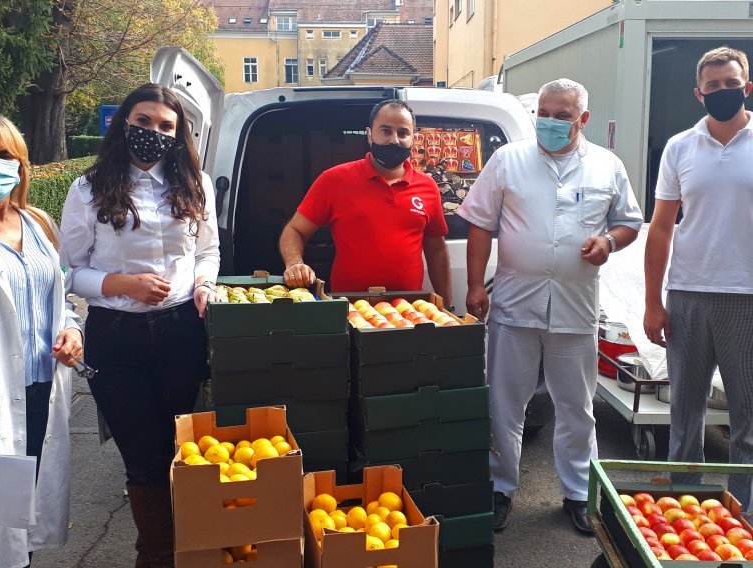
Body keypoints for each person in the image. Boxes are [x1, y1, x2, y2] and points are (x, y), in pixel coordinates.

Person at [459, 79, 643, 535]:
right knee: (505, 404)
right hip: (514, 304)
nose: (551, 122)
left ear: (582, 119)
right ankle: (500, 488)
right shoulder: (508, 160)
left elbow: (627, 223)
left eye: (562, 115)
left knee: (577, 406)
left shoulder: (607, 165)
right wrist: (474, 287)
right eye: (545, 112)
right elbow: (480, 224)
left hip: (575, 309)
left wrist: (608, 241)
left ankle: (579, 494)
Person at [60, 83, 220, 566]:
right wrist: (121, 284)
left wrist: (204, 285)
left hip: (180, 334)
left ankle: (171, 549)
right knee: (142, 454)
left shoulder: (196, 184)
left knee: (177, 450)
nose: (154, 132)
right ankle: (158, 555)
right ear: (124, 123)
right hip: (117, 338)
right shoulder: (89, 187)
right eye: (144, 121)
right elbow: (68, 271)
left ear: (179, 133)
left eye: (166, 126)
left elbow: (208, 251)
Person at [0, 113, 83, 567]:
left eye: (5, 155)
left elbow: (58, 298)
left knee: (23, 527)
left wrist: (72, 329)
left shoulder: (40, 224)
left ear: (22, 165)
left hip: (40, 395)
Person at [644, 46, 753, 508]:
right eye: (713, 86)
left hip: (746, 298)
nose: (723, 92)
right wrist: (653, 301)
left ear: (747, 87)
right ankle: (683, 513)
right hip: (687, 294)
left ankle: (745, 519)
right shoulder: (680, 147)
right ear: (699, 93)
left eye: (731, 84)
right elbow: (661, 227)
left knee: (747, 421)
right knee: (684, 417)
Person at [279, 99, 452, 305]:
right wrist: (294, 263)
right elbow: (294, 230)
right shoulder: (334, 180)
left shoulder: (428, 187)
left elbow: (437, 252)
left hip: (409, 311)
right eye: (385, 131)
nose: (394, 140)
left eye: (403, 133)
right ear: (370, 135)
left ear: (413, 138)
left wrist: (447, 306)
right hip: (349, 308)